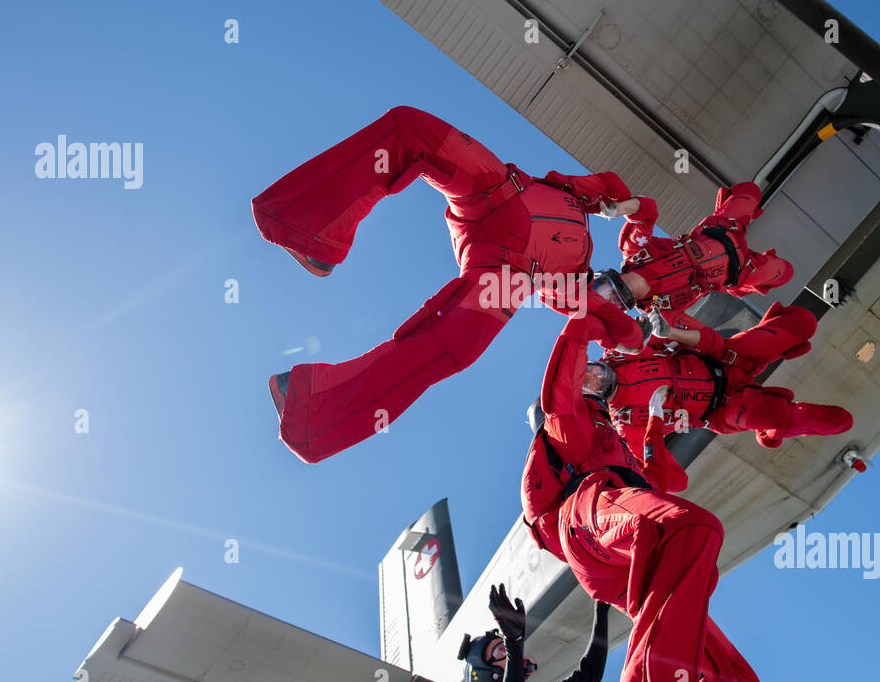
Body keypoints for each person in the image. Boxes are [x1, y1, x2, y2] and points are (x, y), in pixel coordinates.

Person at [255, 105, 636, 464]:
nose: (607, 296)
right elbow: (613, 184)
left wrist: (642, 301)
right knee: (410, 128)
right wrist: (628, 211)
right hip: (495, 190)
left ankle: (312, 407)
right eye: (610, 288)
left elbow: (623, 334)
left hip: (507, 271)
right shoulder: (577, 200)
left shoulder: (572, 296)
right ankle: (313, 229)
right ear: (607, 273)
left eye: (615, 298)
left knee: (454, 345)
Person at [519, 290, 761, 682]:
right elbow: (559, 394)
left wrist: (653, 419)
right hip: (589, 521)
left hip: (620, 544)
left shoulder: (613, 446)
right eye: (589, 382)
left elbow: (662, 482)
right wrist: (587, 320)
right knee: (687, 529)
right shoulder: (569, 429)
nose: (595, 385)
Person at [591, 305, 854, 492]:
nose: (594, 378)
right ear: (592, 398)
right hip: (723, 407)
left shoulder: (622, 353)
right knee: (796, 417)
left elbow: (668, 320)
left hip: (725, 358)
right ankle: (770, 432)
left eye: (590, 371)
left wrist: (666, 331)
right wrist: (638, 455)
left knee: (804, 321)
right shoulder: (626, 423)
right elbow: (676, 481)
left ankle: (774, 343)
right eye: (588, 385)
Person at [589, 182, 793, 327]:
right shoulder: (658, 313)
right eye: (607, 304)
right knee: (785, 272)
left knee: (751, 190)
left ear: (601, 279)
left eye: (600, 292)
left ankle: (736, 208)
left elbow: (648, 211)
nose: (609, 297)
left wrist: (618, 208)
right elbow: (698, 337)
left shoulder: (635, 251)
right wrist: (664, 335)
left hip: (722, 229)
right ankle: (748, 283)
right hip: (741, 270)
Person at [459, 584, 609, 682]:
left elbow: (590, 671)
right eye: (501, 650)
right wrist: (513, 642)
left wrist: (602, 605)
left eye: (505, 647)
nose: (508, 653)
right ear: (490, 676)